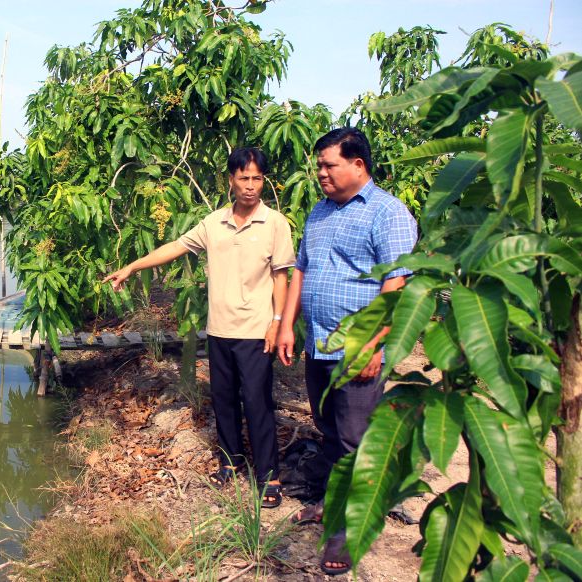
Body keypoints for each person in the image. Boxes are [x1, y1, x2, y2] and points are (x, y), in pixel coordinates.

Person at [103, 147, 295, 508]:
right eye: (244, 178)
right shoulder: (213, 223)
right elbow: (175, 247)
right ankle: (229, 462)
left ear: (263, 181)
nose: (250, 186)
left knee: (257, 403)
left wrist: (277, 322)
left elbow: (281, 277)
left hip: (256, 330)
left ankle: (270, 477)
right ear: (231, 181)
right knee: (223, 400)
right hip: (220, 329)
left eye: (257, 178)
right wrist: (132, 266)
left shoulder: (275, 224)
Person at [276, 128, 417, 575]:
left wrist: (374, 343)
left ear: (358, 165)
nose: (320, 174)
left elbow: (396, 284)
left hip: (358, 347)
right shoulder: (319, 211)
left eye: (328, 165)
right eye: (318, 166)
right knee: (329, 429)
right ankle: (330, 504)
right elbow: (302, 270)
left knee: (355, 439)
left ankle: (348, 530)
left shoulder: (388, 213)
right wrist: (286, 325)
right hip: (319, 342)